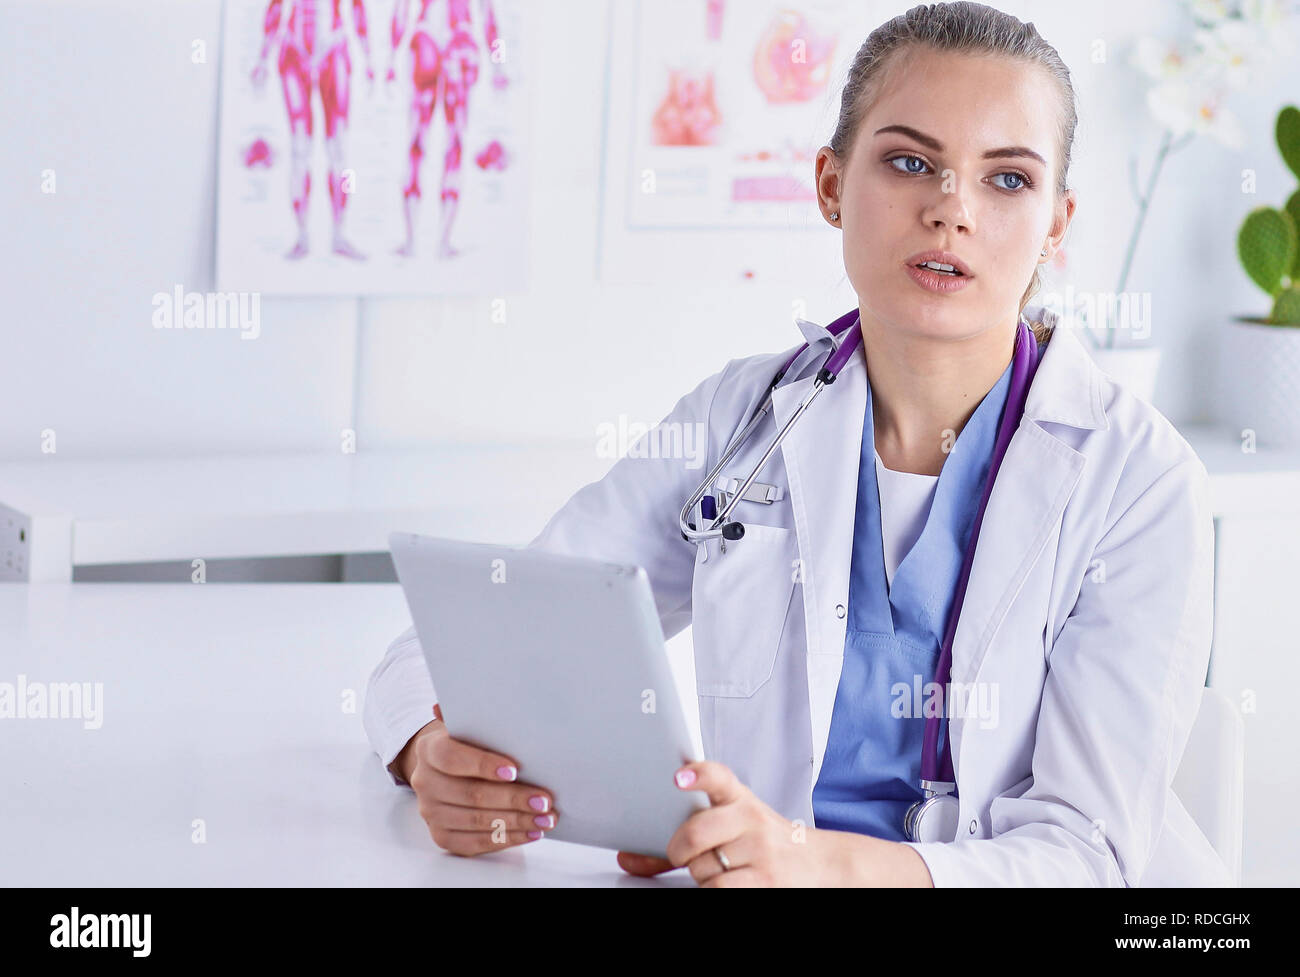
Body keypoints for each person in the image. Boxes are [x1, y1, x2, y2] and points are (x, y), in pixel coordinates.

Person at [363, 1, 1232, 887]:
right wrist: (432, 750)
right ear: (829, 184)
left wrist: (811, 863)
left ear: (1056, 223)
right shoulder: (745, 418)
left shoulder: (1136, 479)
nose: (949, 209)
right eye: (908, 162)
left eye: (1006, 179)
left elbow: (1087, 857)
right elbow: (471, 634)